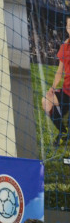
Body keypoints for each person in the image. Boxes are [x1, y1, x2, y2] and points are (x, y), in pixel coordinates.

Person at [46, 16, 70, 145]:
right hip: (67, 91)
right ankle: (63, 132)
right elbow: (60, 71)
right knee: (46, 101)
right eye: (69, 26)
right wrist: (53, 87)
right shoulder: (65, 46)